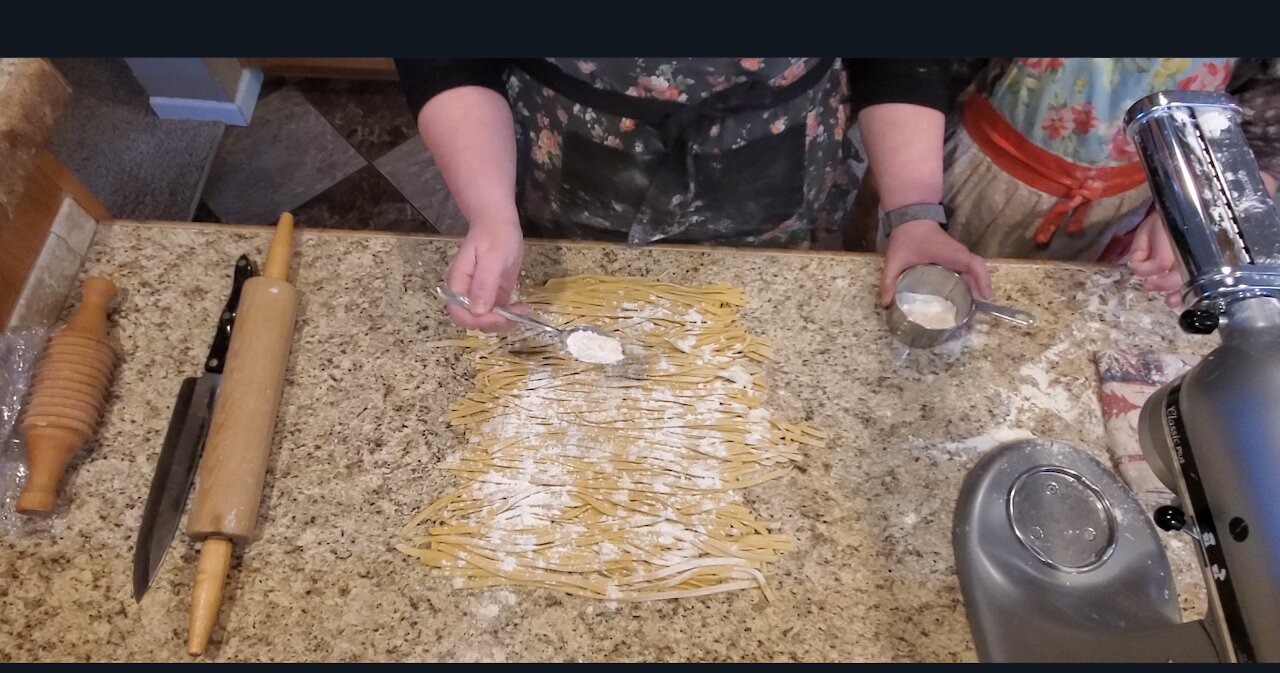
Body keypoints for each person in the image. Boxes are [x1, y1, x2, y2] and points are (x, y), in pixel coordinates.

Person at [395, 58, 963, 329]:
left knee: (747, 340)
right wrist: (491, 212)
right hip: (570, 162)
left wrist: (914, 211)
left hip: (771, 162)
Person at [863, 58, 1280, 308]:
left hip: (1124, 209)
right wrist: (915, 212)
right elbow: (915, 65)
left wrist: (1199, 202)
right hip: (969, 179)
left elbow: (1263, 127)